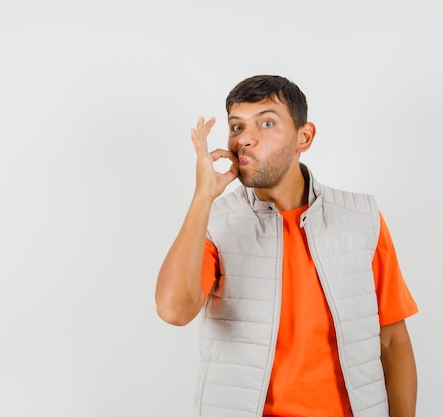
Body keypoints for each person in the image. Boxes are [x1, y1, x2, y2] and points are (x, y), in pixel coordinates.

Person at [155, 75, 418, 417]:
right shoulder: (215, 222)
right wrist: (203, 197)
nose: (246, 139)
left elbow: (392, 340)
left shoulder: (360, 218)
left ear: (303, 137)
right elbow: (174, 311)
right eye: (236, 127)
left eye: (266, 123)